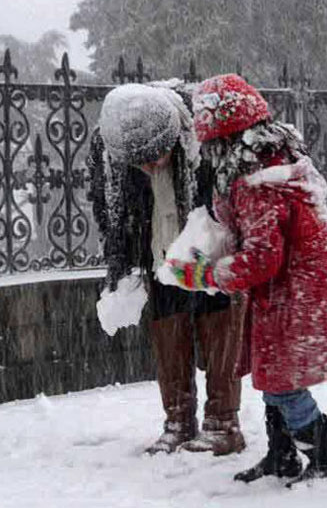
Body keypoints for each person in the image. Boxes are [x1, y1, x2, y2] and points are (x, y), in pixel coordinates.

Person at [168, 74, 327, 485]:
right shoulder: (263, 165)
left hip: (301, 289)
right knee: (272, 373)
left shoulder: (258, 183)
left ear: (221, 138)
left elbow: (262, 258)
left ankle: (324, 459)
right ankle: (282, 455)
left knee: (283, 381)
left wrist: (206, 273)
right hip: (293, 286)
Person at [91, 82, 246, 456]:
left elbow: (229, 194)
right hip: (159, 257)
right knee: (168, 330)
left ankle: (223, 423)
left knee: (218, 325)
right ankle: (177, 421)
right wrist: (126, 264)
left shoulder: (203, 137)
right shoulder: (113, 148)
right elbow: (107, 205)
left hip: (207, 253)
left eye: (156, 154)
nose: (148, 164)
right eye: (139, 161)